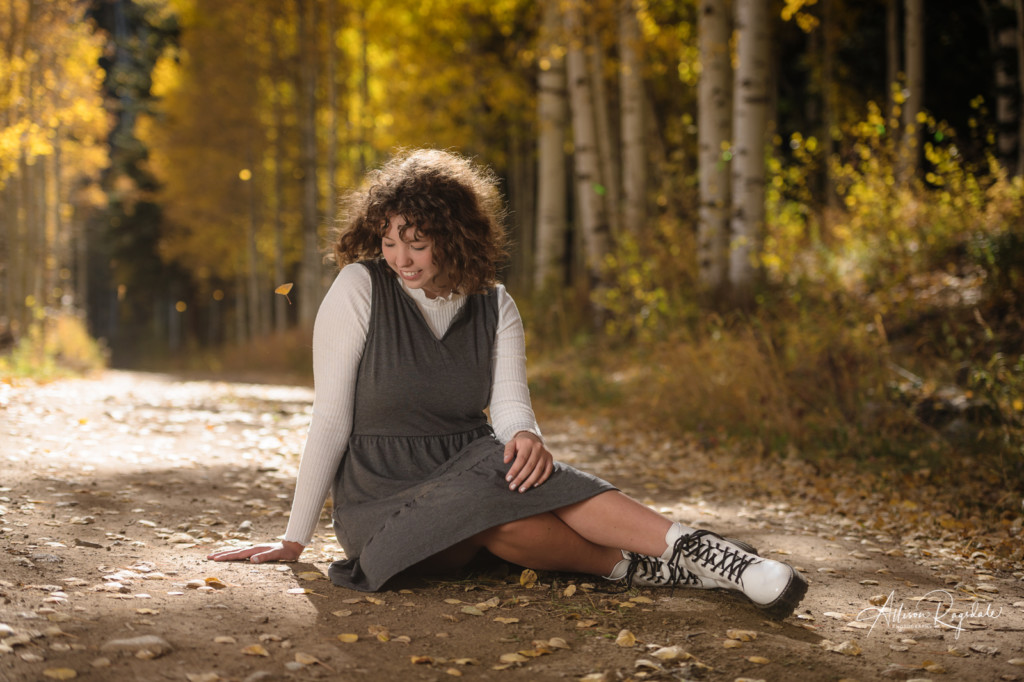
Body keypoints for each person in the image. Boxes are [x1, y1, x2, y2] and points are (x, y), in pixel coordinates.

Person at [208, 148, 807, 618]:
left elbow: (511, 405)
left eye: (417, 242)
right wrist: (294, 538)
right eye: (390, 241)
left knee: (513, 484)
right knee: (494, 497)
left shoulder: (496, 305)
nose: (401, 258)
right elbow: (332, 419)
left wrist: (526, 436)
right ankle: (678, 559)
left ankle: (694, 558)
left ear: (455, 236)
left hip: (472, 465)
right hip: (381, 494)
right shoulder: (359, 288)